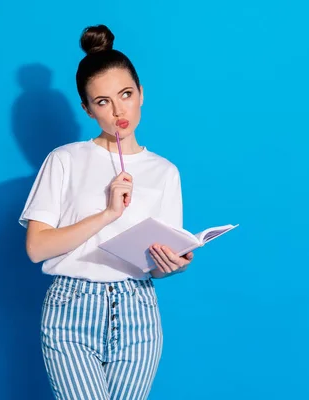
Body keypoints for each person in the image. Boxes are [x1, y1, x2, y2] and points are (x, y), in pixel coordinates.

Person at [18, 24, 194, 400]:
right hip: (71, 311)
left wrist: (170, 265)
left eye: (125, 95)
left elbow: (153, 262)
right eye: (102, 102)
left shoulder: (165, 172)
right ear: (86, 108)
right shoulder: (64, 160)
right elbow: (36, 248)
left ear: (141, 93)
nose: (118, 111)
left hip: (138, 313)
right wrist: (107, 214)